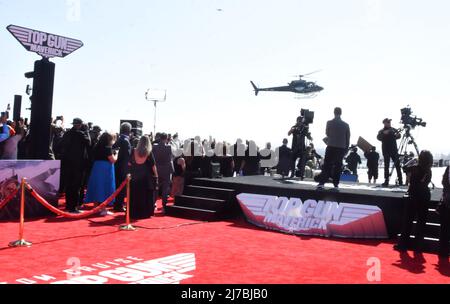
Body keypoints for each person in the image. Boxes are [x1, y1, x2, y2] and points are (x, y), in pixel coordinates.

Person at [394, 150, 433, 253]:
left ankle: (403, 244)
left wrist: (412, 160)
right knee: (421, 221)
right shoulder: (429, 170)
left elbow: (404, 168)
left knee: (408, 221)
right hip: (425, 195)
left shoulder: (415, 168)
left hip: (414, 195)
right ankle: (418, 245)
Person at [59, 118, 91, 213]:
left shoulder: (67, 133)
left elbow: (61, 145)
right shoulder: (81, 134)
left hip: (67, 163)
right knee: (76, 186)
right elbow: (89, 143)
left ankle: (69, 206)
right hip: (78, 164)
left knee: (69, 185)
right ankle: (74, 207)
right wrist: (87, 131)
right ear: (80, 125)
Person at [317, 107, 351, 190]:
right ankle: (336, 184)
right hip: (341, 147)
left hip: (331, 146)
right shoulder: (346, 125)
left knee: (327, 165)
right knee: (338, 166)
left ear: (334, 112)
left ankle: (322, 183)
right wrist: (346, 149)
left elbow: (327, 133)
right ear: (341, 113)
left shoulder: (329, 123)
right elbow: (348, 138)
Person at [84, 132, 117, 216]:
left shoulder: (96, 146)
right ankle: (103, 209)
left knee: (97, 187)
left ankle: (96, 208)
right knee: (105, 187)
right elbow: (112, 160)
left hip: (96, 167)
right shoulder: (107, 148)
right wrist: (116, 154)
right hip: (105, 169)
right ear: (109, 140)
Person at [129, 136, 158, 219]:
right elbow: (153, 166)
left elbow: (129, 163)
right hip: (145, 178)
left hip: (134, 177)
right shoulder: (149, 153)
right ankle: (144, 213)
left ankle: (133, 213)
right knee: (145, 196)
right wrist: (156, 176)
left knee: (134, 195)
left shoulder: (133, 151)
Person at [377, 118, 403, 187]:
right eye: (387, 122)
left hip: (394, 150)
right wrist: (384, 134)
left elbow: (399, 136)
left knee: (398, 165)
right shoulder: (381, 131)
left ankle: (400, 180)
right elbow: (378, 137)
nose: (389, 123)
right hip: (386, 150)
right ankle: (386, 181)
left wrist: (398, 135)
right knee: (386, 166)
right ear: (384, 123)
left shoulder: (393, 129)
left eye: (389, 122)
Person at [113, 122, 132, 212]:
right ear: (129, 131)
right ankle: (119, 205)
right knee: (122, 187)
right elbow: (127, 156)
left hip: (116, 167)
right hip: (123, 168)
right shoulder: (126, 141)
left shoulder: (119, 139)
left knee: (117, 186)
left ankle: (117, 203)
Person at [152, 133, 174, 213]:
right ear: (166, 138)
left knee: (156, 188)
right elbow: (171, 157)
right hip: (166, 171)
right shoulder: (169, 147)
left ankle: (153, 205)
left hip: (157, 170)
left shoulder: (155, 146)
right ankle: (164, 206)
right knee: (165, 189)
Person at [439, 165, 450, 259]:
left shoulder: (448, 168)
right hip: (447, 200)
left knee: (444, 228)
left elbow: (444, 182)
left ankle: (443, 250)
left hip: (447, 201)